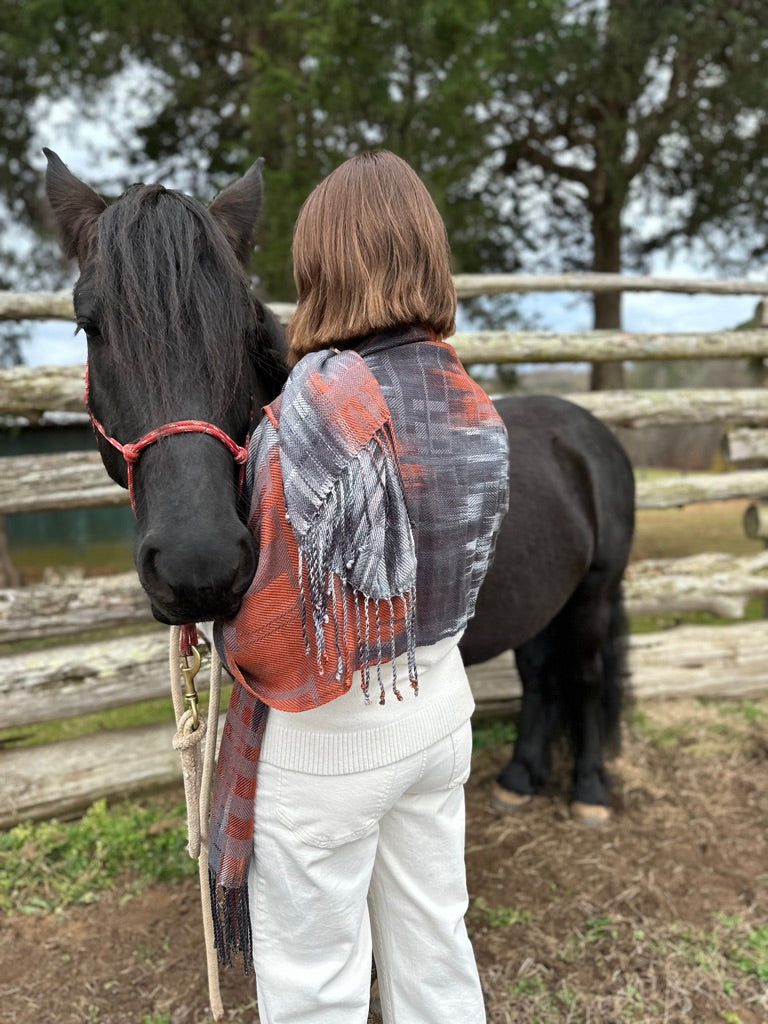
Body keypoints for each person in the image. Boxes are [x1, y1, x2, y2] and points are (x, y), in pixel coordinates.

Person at [209, 150, 509, 1024]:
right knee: (437, 955)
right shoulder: (474, 404)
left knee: (316, 989)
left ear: (323, 266)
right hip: (442, 713)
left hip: (328, 744)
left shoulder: (311, 413)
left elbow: (269, 638)